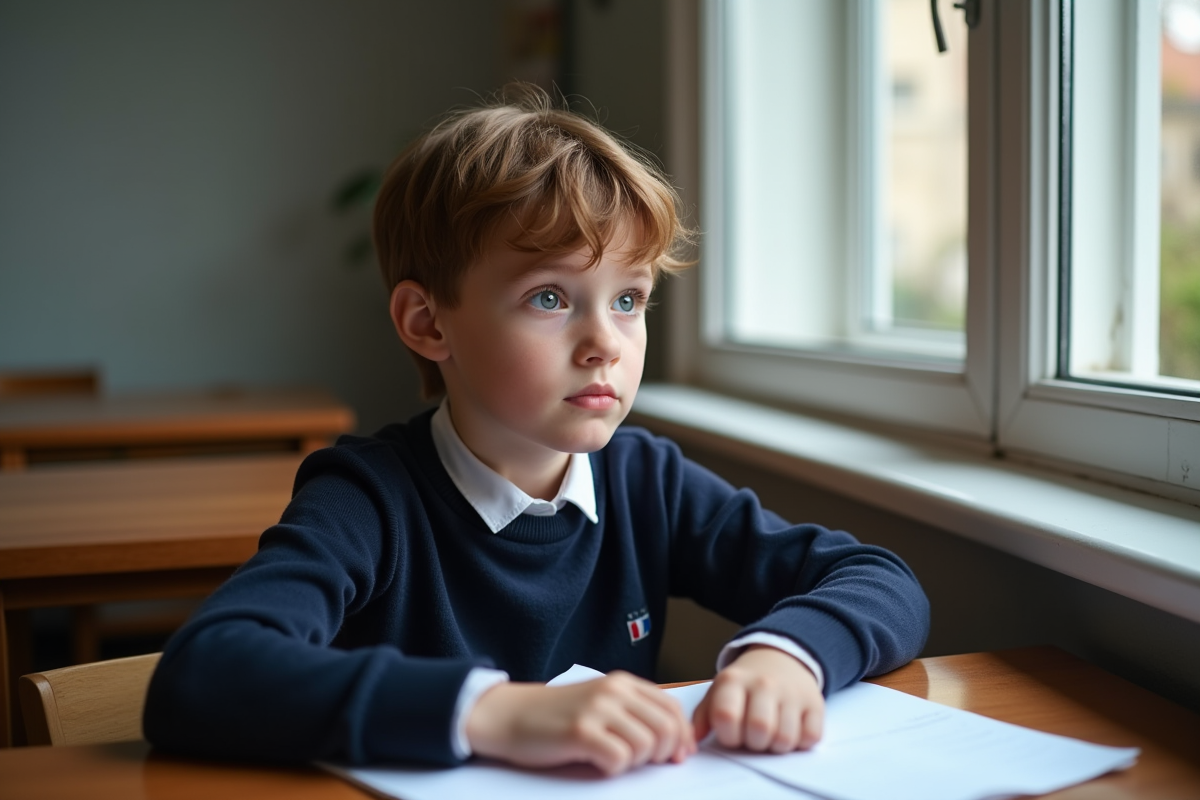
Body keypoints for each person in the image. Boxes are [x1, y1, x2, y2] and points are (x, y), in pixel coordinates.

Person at [143, 83, 930, 776]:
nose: (605, 344)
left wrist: (785, 655)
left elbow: (881, 580)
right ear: (428, 322)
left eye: (628, 299)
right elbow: (203, 672)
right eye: (551, 298)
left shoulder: (646, 480)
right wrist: (495, 713)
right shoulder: (368, 498)